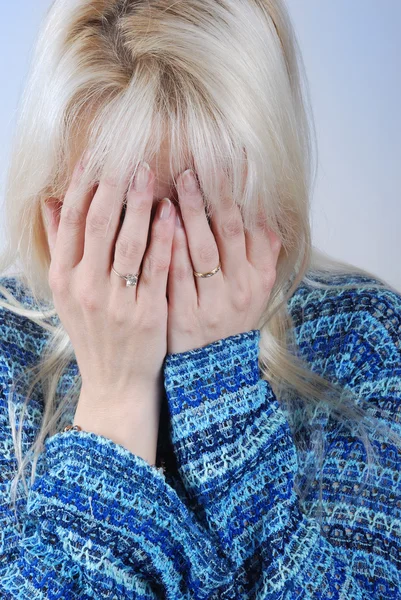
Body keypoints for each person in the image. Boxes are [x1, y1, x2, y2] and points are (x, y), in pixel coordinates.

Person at [0, 0, 400, 598]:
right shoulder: (7, 350)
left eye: (200, 211)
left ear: (268, 199)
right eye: (120, 216)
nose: (156, 254)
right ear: (55, 200)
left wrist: (224, 395)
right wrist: (112, 408)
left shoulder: (360, 340)